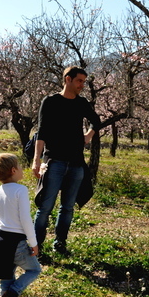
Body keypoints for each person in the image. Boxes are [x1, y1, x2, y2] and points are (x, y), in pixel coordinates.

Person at [32, 66, 101, 255]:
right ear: (68, 79)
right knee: (45, 207)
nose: (82, 85)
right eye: (79, 81)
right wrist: (36, 159)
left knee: (67, 208)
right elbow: (42, 132)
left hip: (76, 163)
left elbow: (96, 120)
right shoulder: (51, 102)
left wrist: (89, 134)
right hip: (54, 161)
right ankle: (36, 246)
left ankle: (59, 244)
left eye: (84, 82)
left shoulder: (82, 103)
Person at [0, 153, 42, 297]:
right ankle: (12, 294)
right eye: (19, 166)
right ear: (13, 170)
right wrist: (33, 243)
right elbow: (26, 219)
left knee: (6, 277)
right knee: (34, 269)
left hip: (0, 240)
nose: (21, 169)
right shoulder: (20, 190)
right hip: (16, 241)